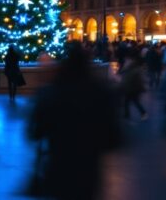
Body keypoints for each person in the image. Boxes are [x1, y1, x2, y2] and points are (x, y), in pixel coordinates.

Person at [30, 44, 120, 200]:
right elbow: (113, 137)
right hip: (89, 166)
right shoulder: (100, 92)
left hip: (59, 162)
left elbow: (35, 131)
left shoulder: (50, 92)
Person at [119, 51, 147, 120]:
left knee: (133, 101)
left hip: (133, 88)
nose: (126, 60)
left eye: (128, 59)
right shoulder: (129, 67)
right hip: (130, 87)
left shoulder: (135, 68)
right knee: (129, 101)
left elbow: (138, 79)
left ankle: (142, 113)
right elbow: (122, 73)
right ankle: (127, 115)